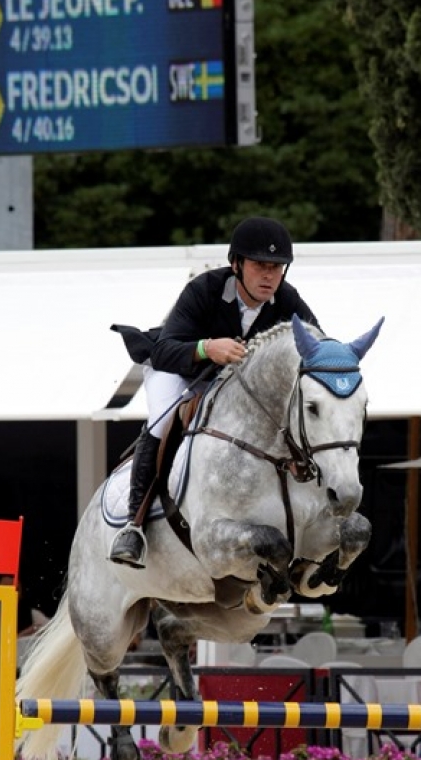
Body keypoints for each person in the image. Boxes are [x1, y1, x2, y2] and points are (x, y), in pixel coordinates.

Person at [110, 216, 319, 567]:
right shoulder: (204, 289)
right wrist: (207, 348)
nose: (269, 275)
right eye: (260, 265)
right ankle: (134, 525)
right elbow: (164, 350)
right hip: (180, 369)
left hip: (234, 382)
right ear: (236, 264)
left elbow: (314, 344)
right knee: (163, 421)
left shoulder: (286, 299)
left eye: (277, 267)